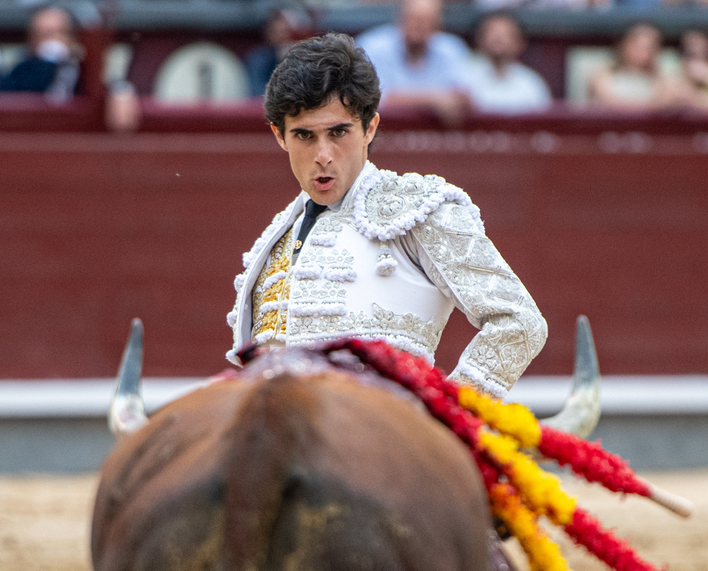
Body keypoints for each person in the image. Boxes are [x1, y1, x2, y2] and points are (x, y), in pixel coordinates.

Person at [226, 33, 547, 400]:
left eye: (338, 132)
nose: (323, 155)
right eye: (304, 136)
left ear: (370, 128)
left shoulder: (419, 210)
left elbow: (519, 322)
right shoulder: (273, 240)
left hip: (386, 449)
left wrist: (446, 416)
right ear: (279, 136)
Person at [356, 0, 471, 125]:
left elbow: (467, 96)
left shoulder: (451, 48)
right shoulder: (372, 46)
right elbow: (371, 100)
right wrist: (434, 100)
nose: (419, 26)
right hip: (383, 132)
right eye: (414, 19)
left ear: (438, 25)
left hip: (434, 135)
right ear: (400, 19)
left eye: (427, 21)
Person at [465, 10, 552, 114]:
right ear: (478, 38)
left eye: (506, 34)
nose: (499, 39)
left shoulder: (530, 82)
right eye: (492, 33)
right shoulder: (462, 76)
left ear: (520, 42)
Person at [0, 5, 81, 102]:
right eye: (45, 34)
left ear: (73, 38)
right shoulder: (20, 73)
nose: (53, 40)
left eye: (60, 33)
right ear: (32, 41)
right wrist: (45, 66)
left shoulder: (85, 71)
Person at [588, 22, 674, 110]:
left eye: (651, 46)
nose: (644, 51)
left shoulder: (666, 82)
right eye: (638, 45)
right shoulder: (602, 79)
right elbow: (613, 107)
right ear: (624, 45)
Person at [245, 7, 310, 98]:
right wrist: (281, 62)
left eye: (289, 32)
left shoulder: (312, 58)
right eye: (279, 32)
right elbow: (255, 93)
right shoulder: (259, 59)